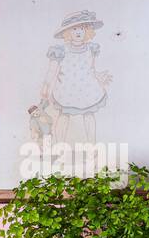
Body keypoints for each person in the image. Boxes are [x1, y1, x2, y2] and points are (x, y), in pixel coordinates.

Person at [40, 9, 113, 145]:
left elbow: (91, 68)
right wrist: (46, 86)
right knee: (64, 116)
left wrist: (99, 76)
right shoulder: (60, 50)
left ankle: (92, 145)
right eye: (74, 29)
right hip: (66, 90)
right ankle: (59, 146)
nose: (78, 32)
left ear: (87, 31)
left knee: (89, 115)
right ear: (67, 32)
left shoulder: (91, 48)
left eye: (82, 28)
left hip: (87, 89)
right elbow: (52, 70)